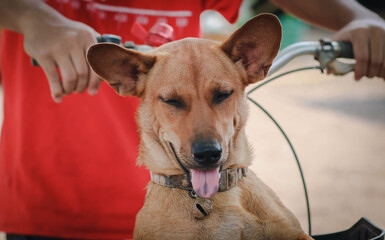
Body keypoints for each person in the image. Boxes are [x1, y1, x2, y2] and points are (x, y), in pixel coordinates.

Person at [0, 0, 383, 240]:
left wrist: (359, 17)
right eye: (174, 101)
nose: (208, 136)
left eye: (221, 96)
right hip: (48, 210)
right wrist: (32, 15)